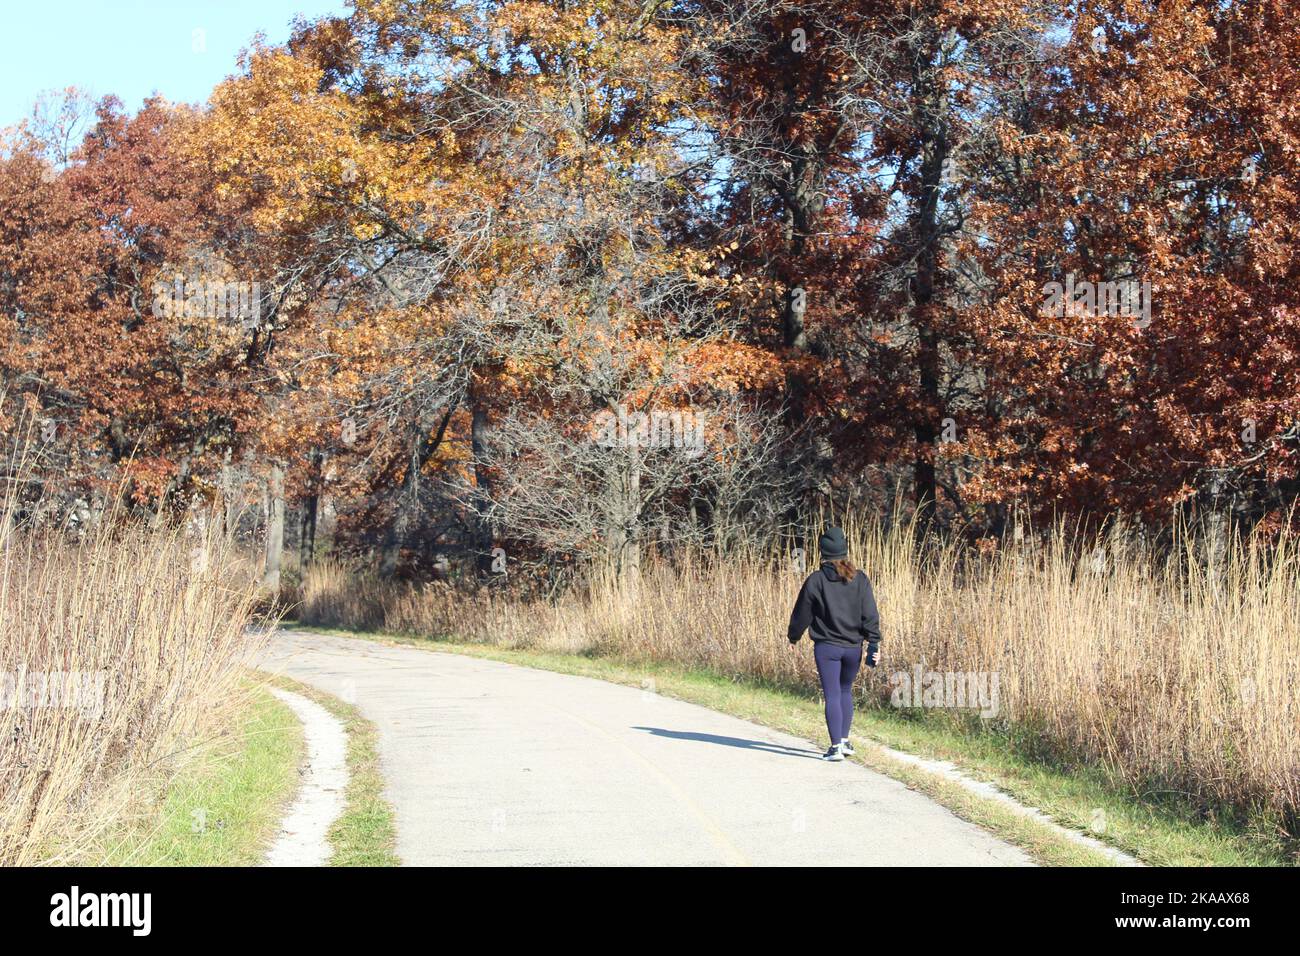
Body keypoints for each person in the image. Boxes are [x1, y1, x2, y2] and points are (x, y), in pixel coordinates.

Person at [787, 526, 882, 761]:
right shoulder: (860, 579)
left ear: (823, 552)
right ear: (844, 550)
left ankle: (835, 747)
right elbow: (870, 614)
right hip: (853, 648)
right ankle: (845, 741)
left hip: (827, 647)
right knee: (845, 691)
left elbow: (802, 614)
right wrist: (874, 644)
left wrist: (793, 637)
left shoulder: (816, 580)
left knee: (832, 695)